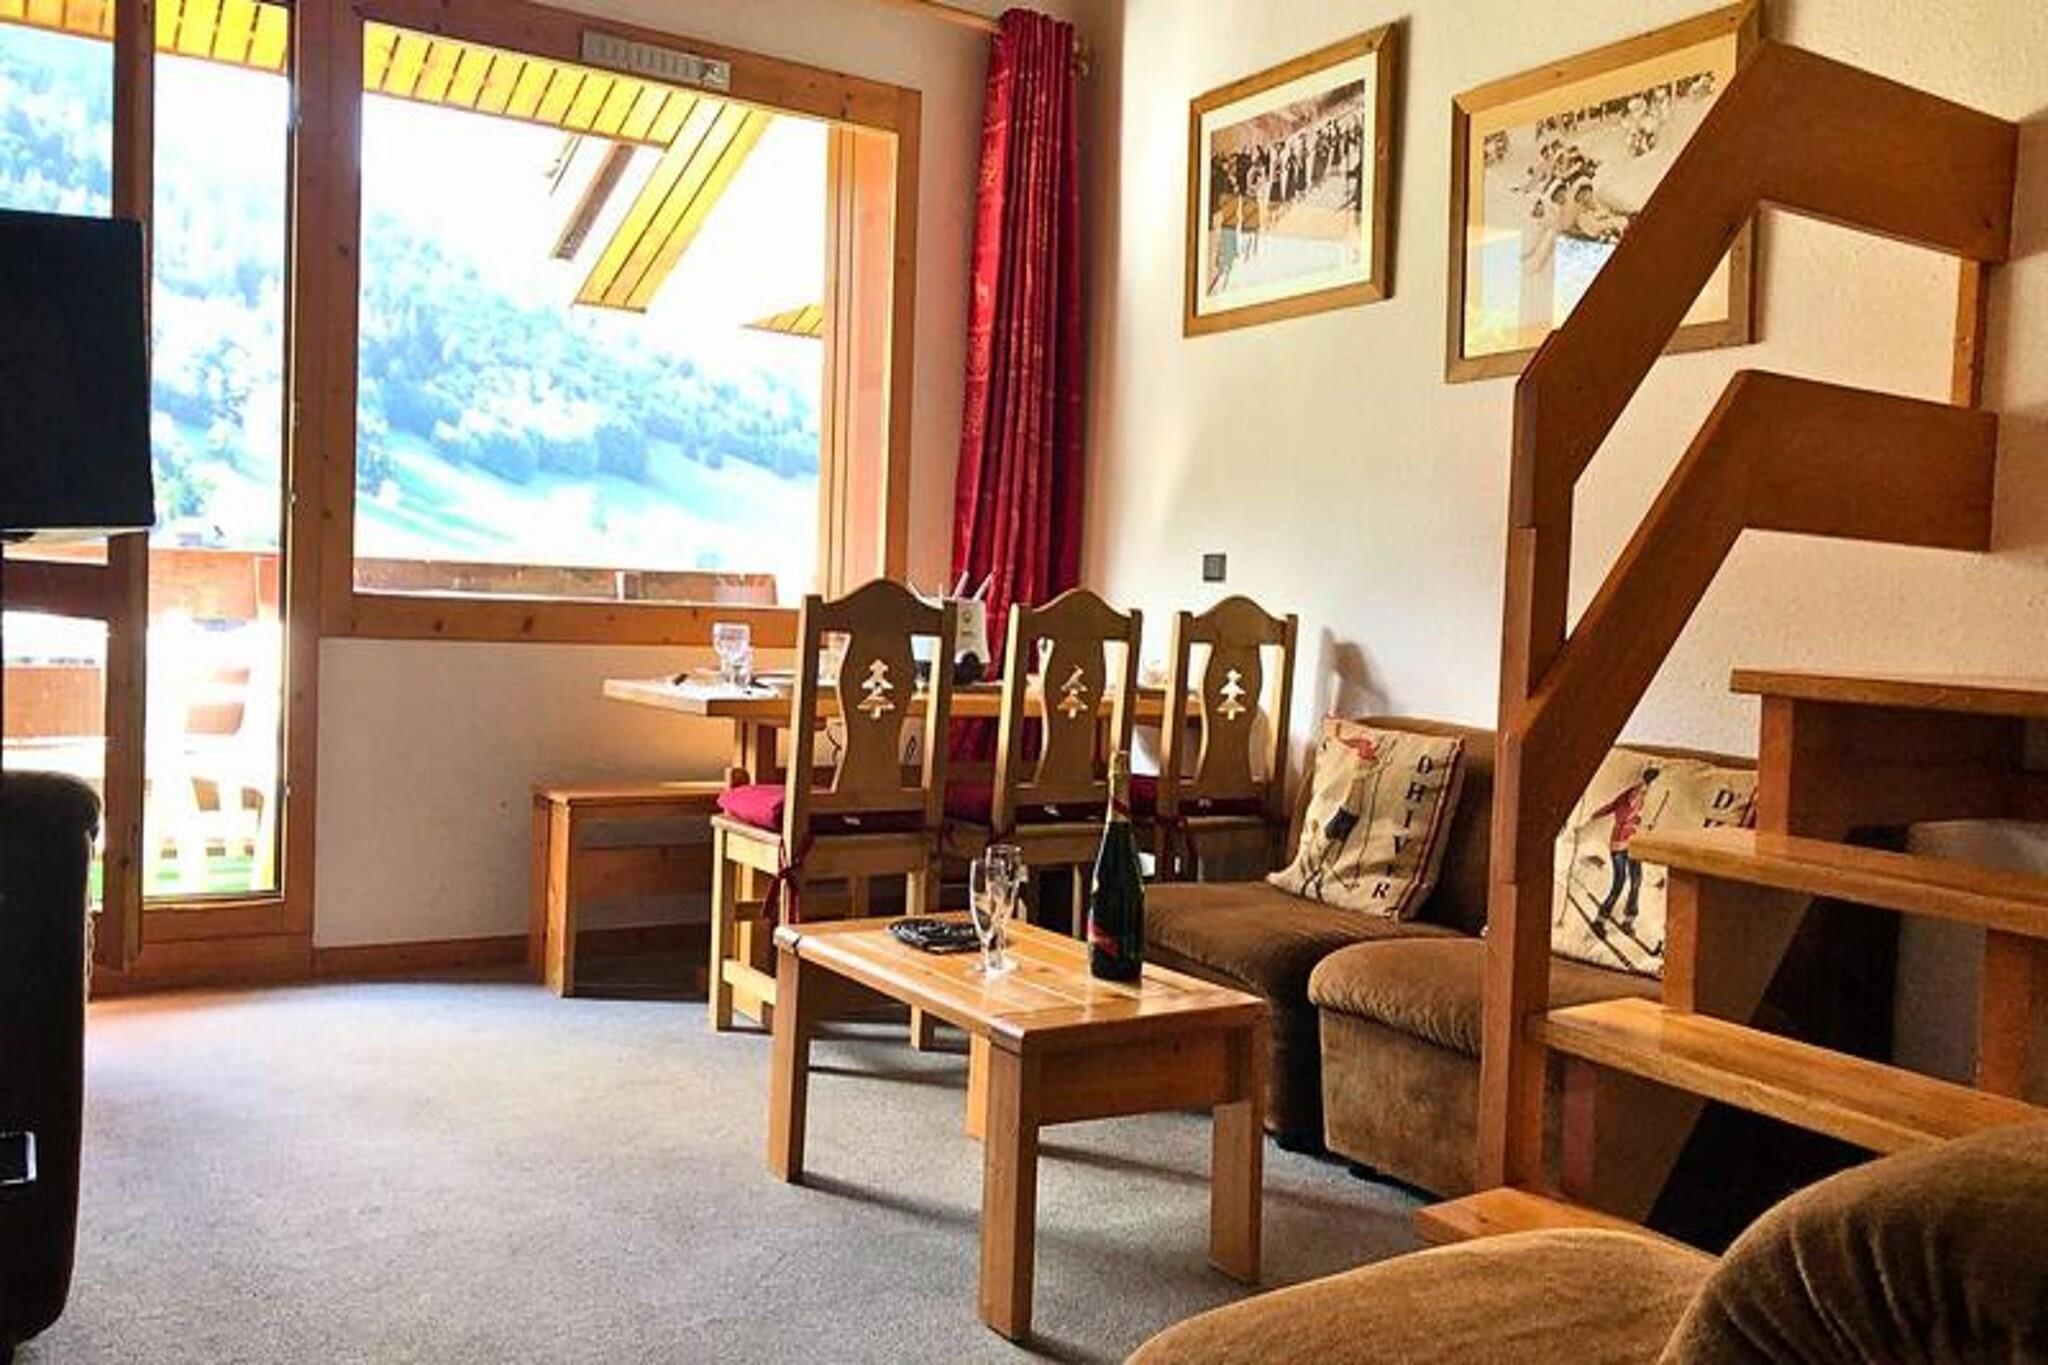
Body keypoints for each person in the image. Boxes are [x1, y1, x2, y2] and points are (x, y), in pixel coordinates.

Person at [1587, 766, 1660, 934]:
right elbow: (1622, 813)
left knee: (1636, 881)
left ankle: (1629, 919)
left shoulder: (1636, 795)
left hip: (1630, 843)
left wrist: (1640, 824)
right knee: (1620, 882)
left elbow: (1616, 809)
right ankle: (1600, 920)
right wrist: (1634, 822)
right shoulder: (1635, 794)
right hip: (1621, 844)